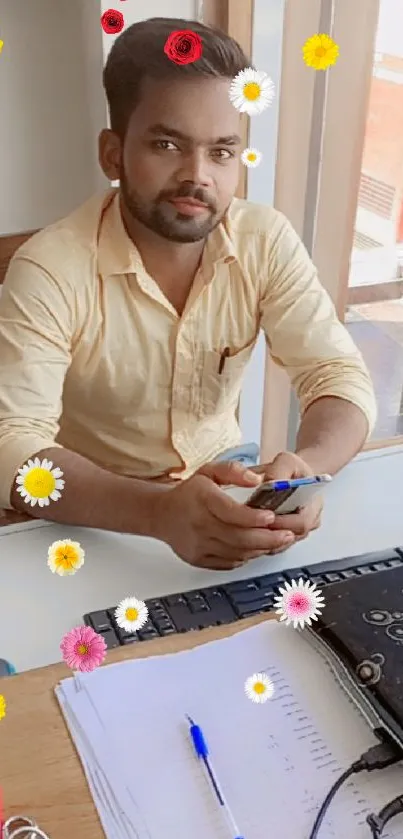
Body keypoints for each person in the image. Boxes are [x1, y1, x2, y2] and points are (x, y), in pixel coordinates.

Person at [0, 17, 376, 571]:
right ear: (113, 153)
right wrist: (159, 513)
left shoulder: (264, 239)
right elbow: (11, 450)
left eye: (222, 152)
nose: (198, 176)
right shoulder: (50, 268)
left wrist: (306, 469)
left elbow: (338, 374)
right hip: (94, 518)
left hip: (230, 489)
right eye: (167, 143)